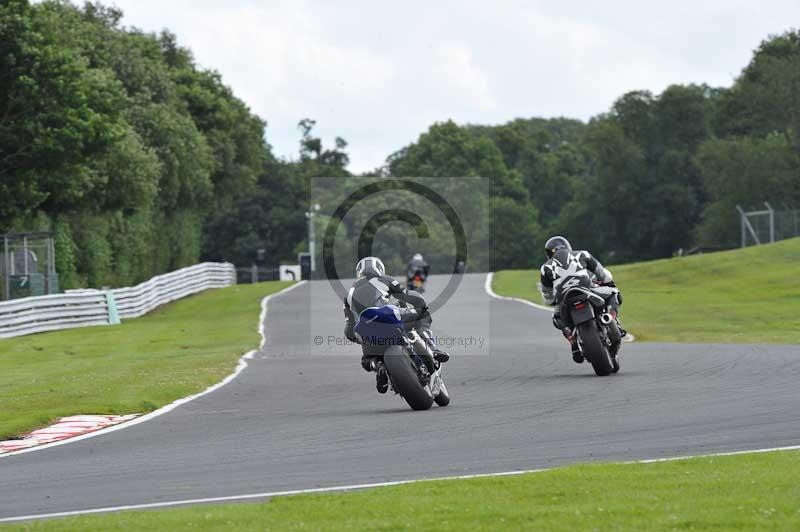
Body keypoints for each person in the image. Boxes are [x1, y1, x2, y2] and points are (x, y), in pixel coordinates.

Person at [343, 256, 449, 393]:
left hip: (364, 327)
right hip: (387, 315)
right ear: (379, 268)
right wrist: (419, 304)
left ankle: (378, 366)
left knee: (366, 360)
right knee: (422, 315)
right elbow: (405, 294)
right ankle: (432, 347)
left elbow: (348, 326)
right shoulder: (384, 279)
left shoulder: (349, 293)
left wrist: (358, 338)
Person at [539, 236, 626, 363]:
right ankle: (611, 318)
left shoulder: (545, 268)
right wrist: (608, 282)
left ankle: (573, 342)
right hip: (587, 290)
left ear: (548, 253)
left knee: (557, 318)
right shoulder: (582, 254)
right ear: (568, 247)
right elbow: (602, 274)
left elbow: (548, 297)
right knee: (614, 292)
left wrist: (554, 301)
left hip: (564, 299)